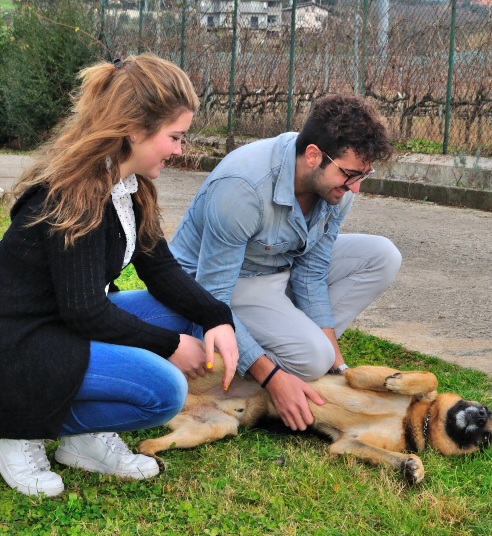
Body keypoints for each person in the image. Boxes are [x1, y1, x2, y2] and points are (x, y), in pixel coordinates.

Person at [0, 54, 239, 497]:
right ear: (135, 131)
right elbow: (86, 310)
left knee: (179, 309)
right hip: (11, 348)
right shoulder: (74, 194)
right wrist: (170, 346)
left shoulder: (129, 187)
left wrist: (218, 316)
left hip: (57, 327)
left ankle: (81, 441)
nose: (180, 150)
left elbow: (159, 268)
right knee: (164, 391)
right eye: (175, 137)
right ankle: (11, 428)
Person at [169, 93, 401, 433]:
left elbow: (312, 271)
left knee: (382, 257)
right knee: (312, 359)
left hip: (278, 269)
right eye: (350, 174)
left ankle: (298, 353)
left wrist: (339, 367)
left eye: (364, 175)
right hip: (223, 282)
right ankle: (268, 367)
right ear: (312, 156)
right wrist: (274, 378)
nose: (356, 188)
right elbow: (212, 296)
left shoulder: (336, 190)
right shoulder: (243, 188)